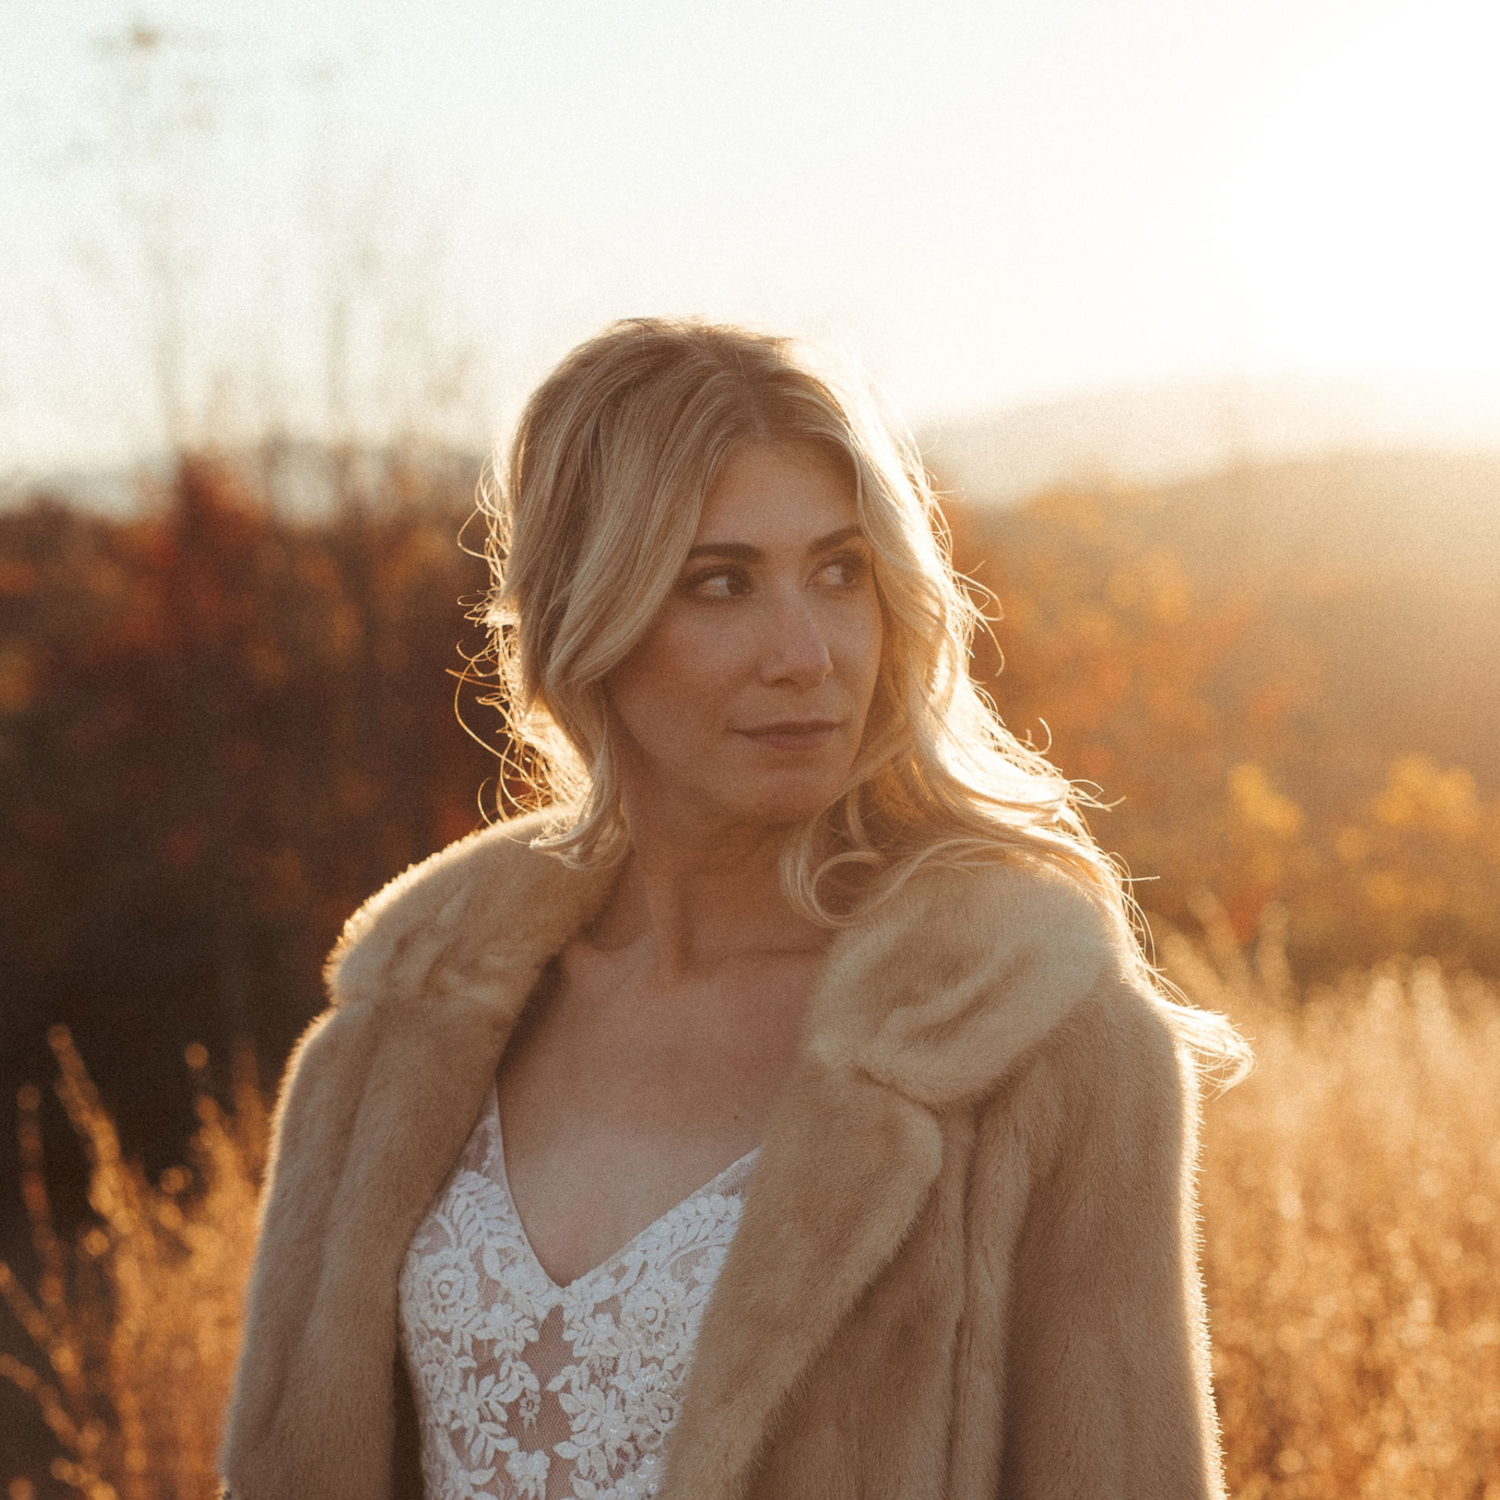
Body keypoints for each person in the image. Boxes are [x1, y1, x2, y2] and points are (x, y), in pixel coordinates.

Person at [220, 318, 1249, 1500]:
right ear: (585, 619)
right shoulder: (394, 1032)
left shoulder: (1037, 1047)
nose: (807, 653)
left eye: (841, 571)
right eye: (721, 583)